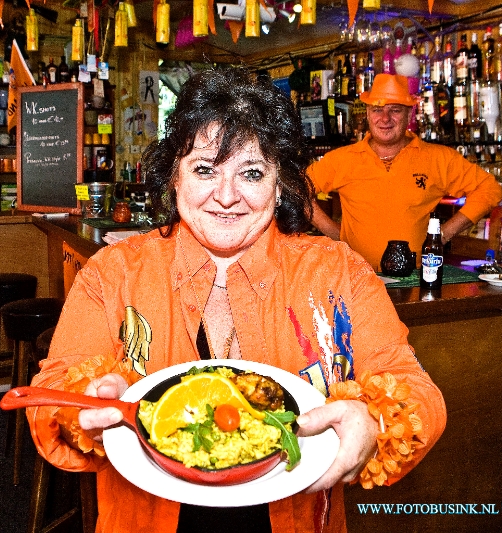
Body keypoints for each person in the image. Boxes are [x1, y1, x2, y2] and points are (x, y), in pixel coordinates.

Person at [27, 68, 446, 533]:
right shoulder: (113, 273)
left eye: (250, 172)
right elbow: (50, 398)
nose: (226, 197)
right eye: (205, 169)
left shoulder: (338, 273)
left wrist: (374, 421)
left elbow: (420, 393)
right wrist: (80, 407)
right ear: (174, 178)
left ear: (280, 183)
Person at [307, 73, 502, 271]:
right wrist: (334, 233)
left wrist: (442, 234)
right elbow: (294, 189)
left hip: (414, 279)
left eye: (395, 110)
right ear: (367, 114)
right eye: (377, 110)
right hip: (356, 277)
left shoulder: (438, 158)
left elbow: (489, 189)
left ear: (409, 115)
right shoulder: (342, 159)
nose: (385, 118)